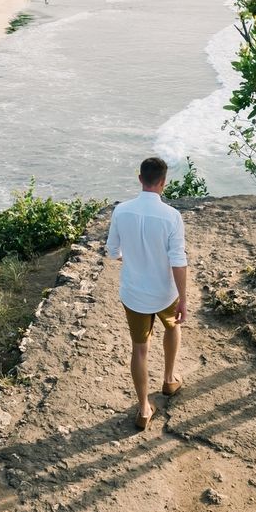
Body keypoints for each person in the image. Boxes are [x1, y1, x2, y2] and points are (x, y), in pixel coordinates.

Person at [106, 156, 187, 430]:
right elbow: (178, 260)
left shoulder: (121, 211)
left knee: (139, 349)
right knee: (172, 328)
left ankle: (143, 408)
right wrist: (184, 298)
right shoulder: (172, 216)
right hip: (165, 293)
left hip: (134, 293)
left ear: (140, 179)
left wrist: (132, 258)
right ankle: (169, 379)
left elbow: (112, 251)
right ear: (163, 183)